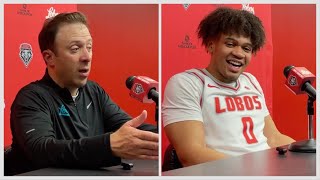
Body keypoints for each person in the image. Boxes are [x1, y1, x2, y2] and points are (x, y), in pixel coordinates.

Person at [5, 12, 158, 175]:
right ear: (49, 58)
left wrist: (169, 132)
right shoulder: (31, 98)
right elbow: (41, 150)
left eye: (89, 47)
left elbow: (130, 130)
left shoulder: (94, 92)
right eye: (75, 49)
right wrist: (108, 145)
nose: (87, 57)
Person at [162, 7, 295, 169]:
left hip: (265, 169)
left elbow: (273, 138)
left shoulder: (250, 81)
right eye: (230, 44)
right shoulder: (187, 84)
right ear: (211, 45)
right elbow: (192, 154)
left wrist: (308, 153)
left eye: (246, 48)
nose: (239, 53)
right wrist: (252, 171)